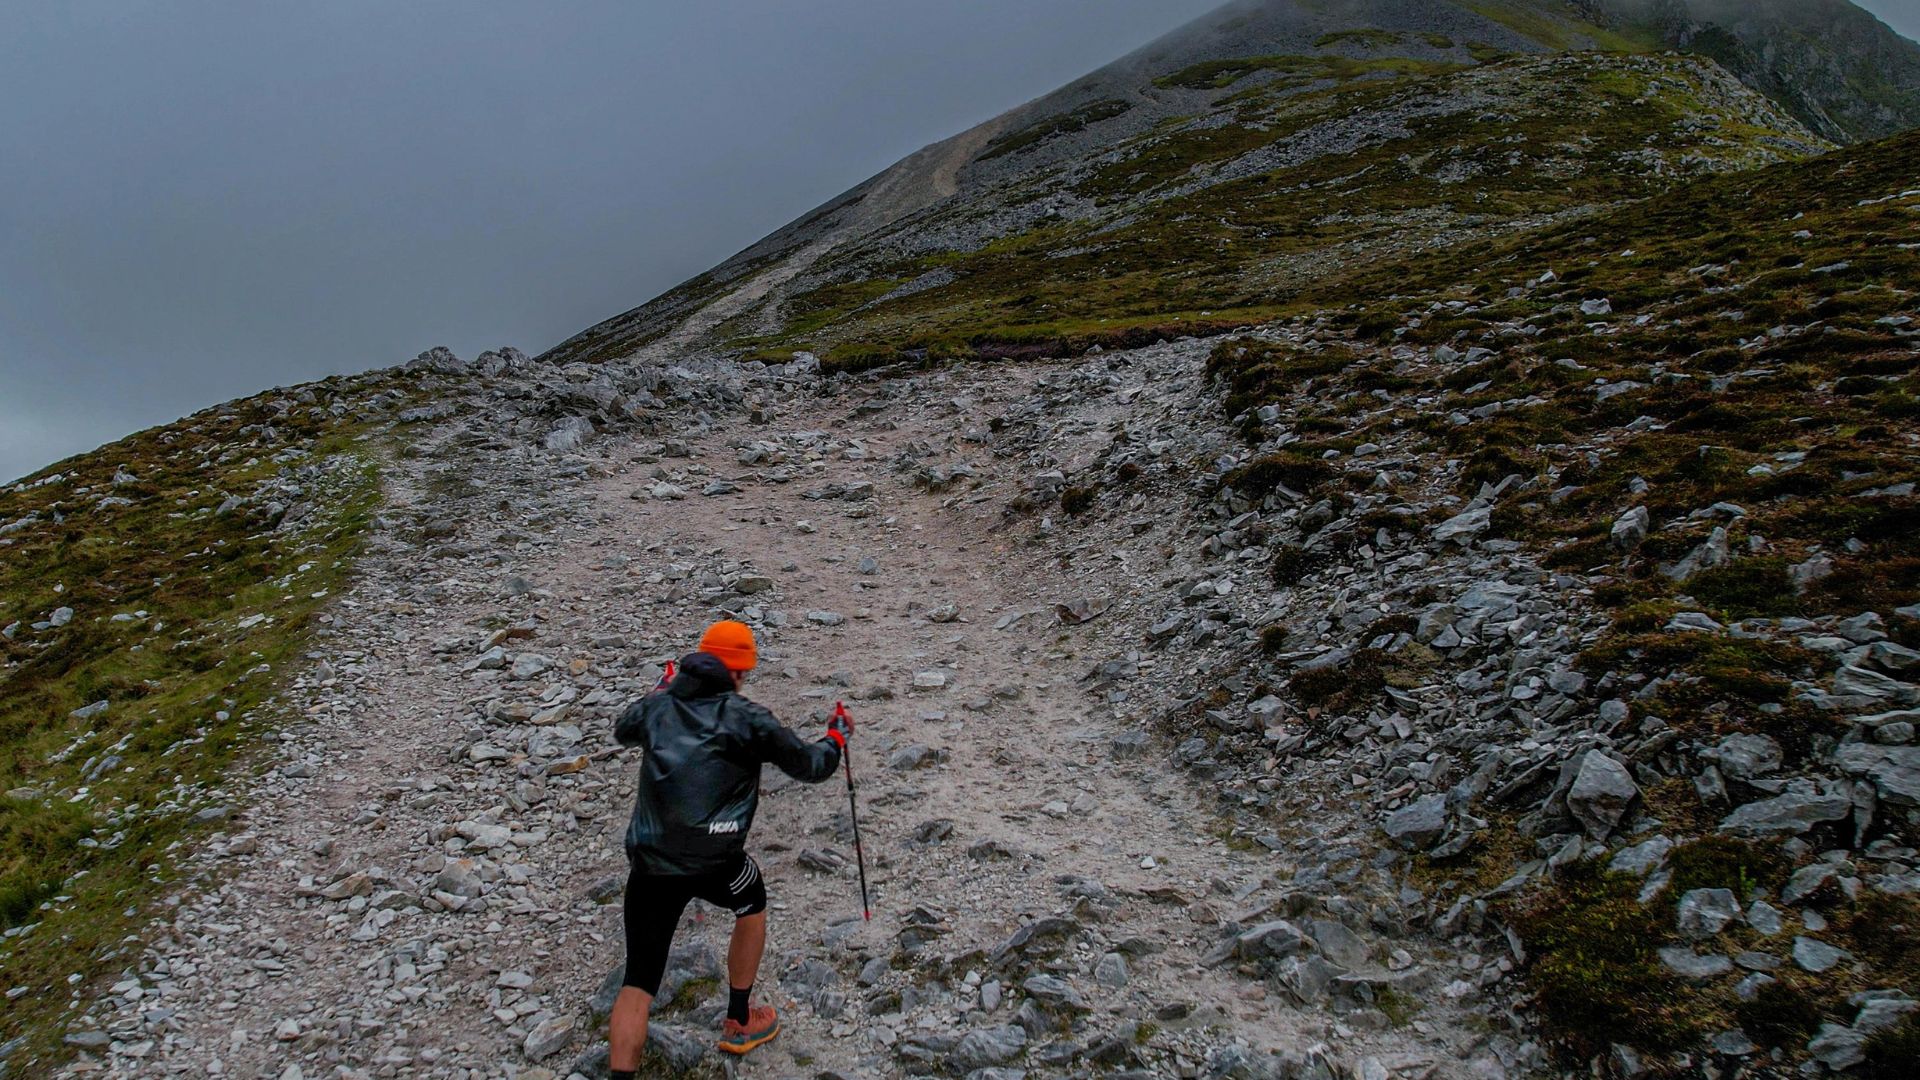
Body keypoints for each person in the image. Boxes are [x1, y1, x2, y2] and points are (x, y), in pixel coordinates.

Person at [606, 619, 851, 1072]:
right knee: (751, 899)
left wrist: (660, 691)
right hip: (716, 859)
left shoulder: (658, 708)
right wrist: (836, 737)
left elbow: (622, 730)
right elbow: (812, 766)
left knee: (638, 981)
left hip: (652, 863)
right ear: (736, 673)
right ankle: (739, 1020)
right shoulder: (747, 718)